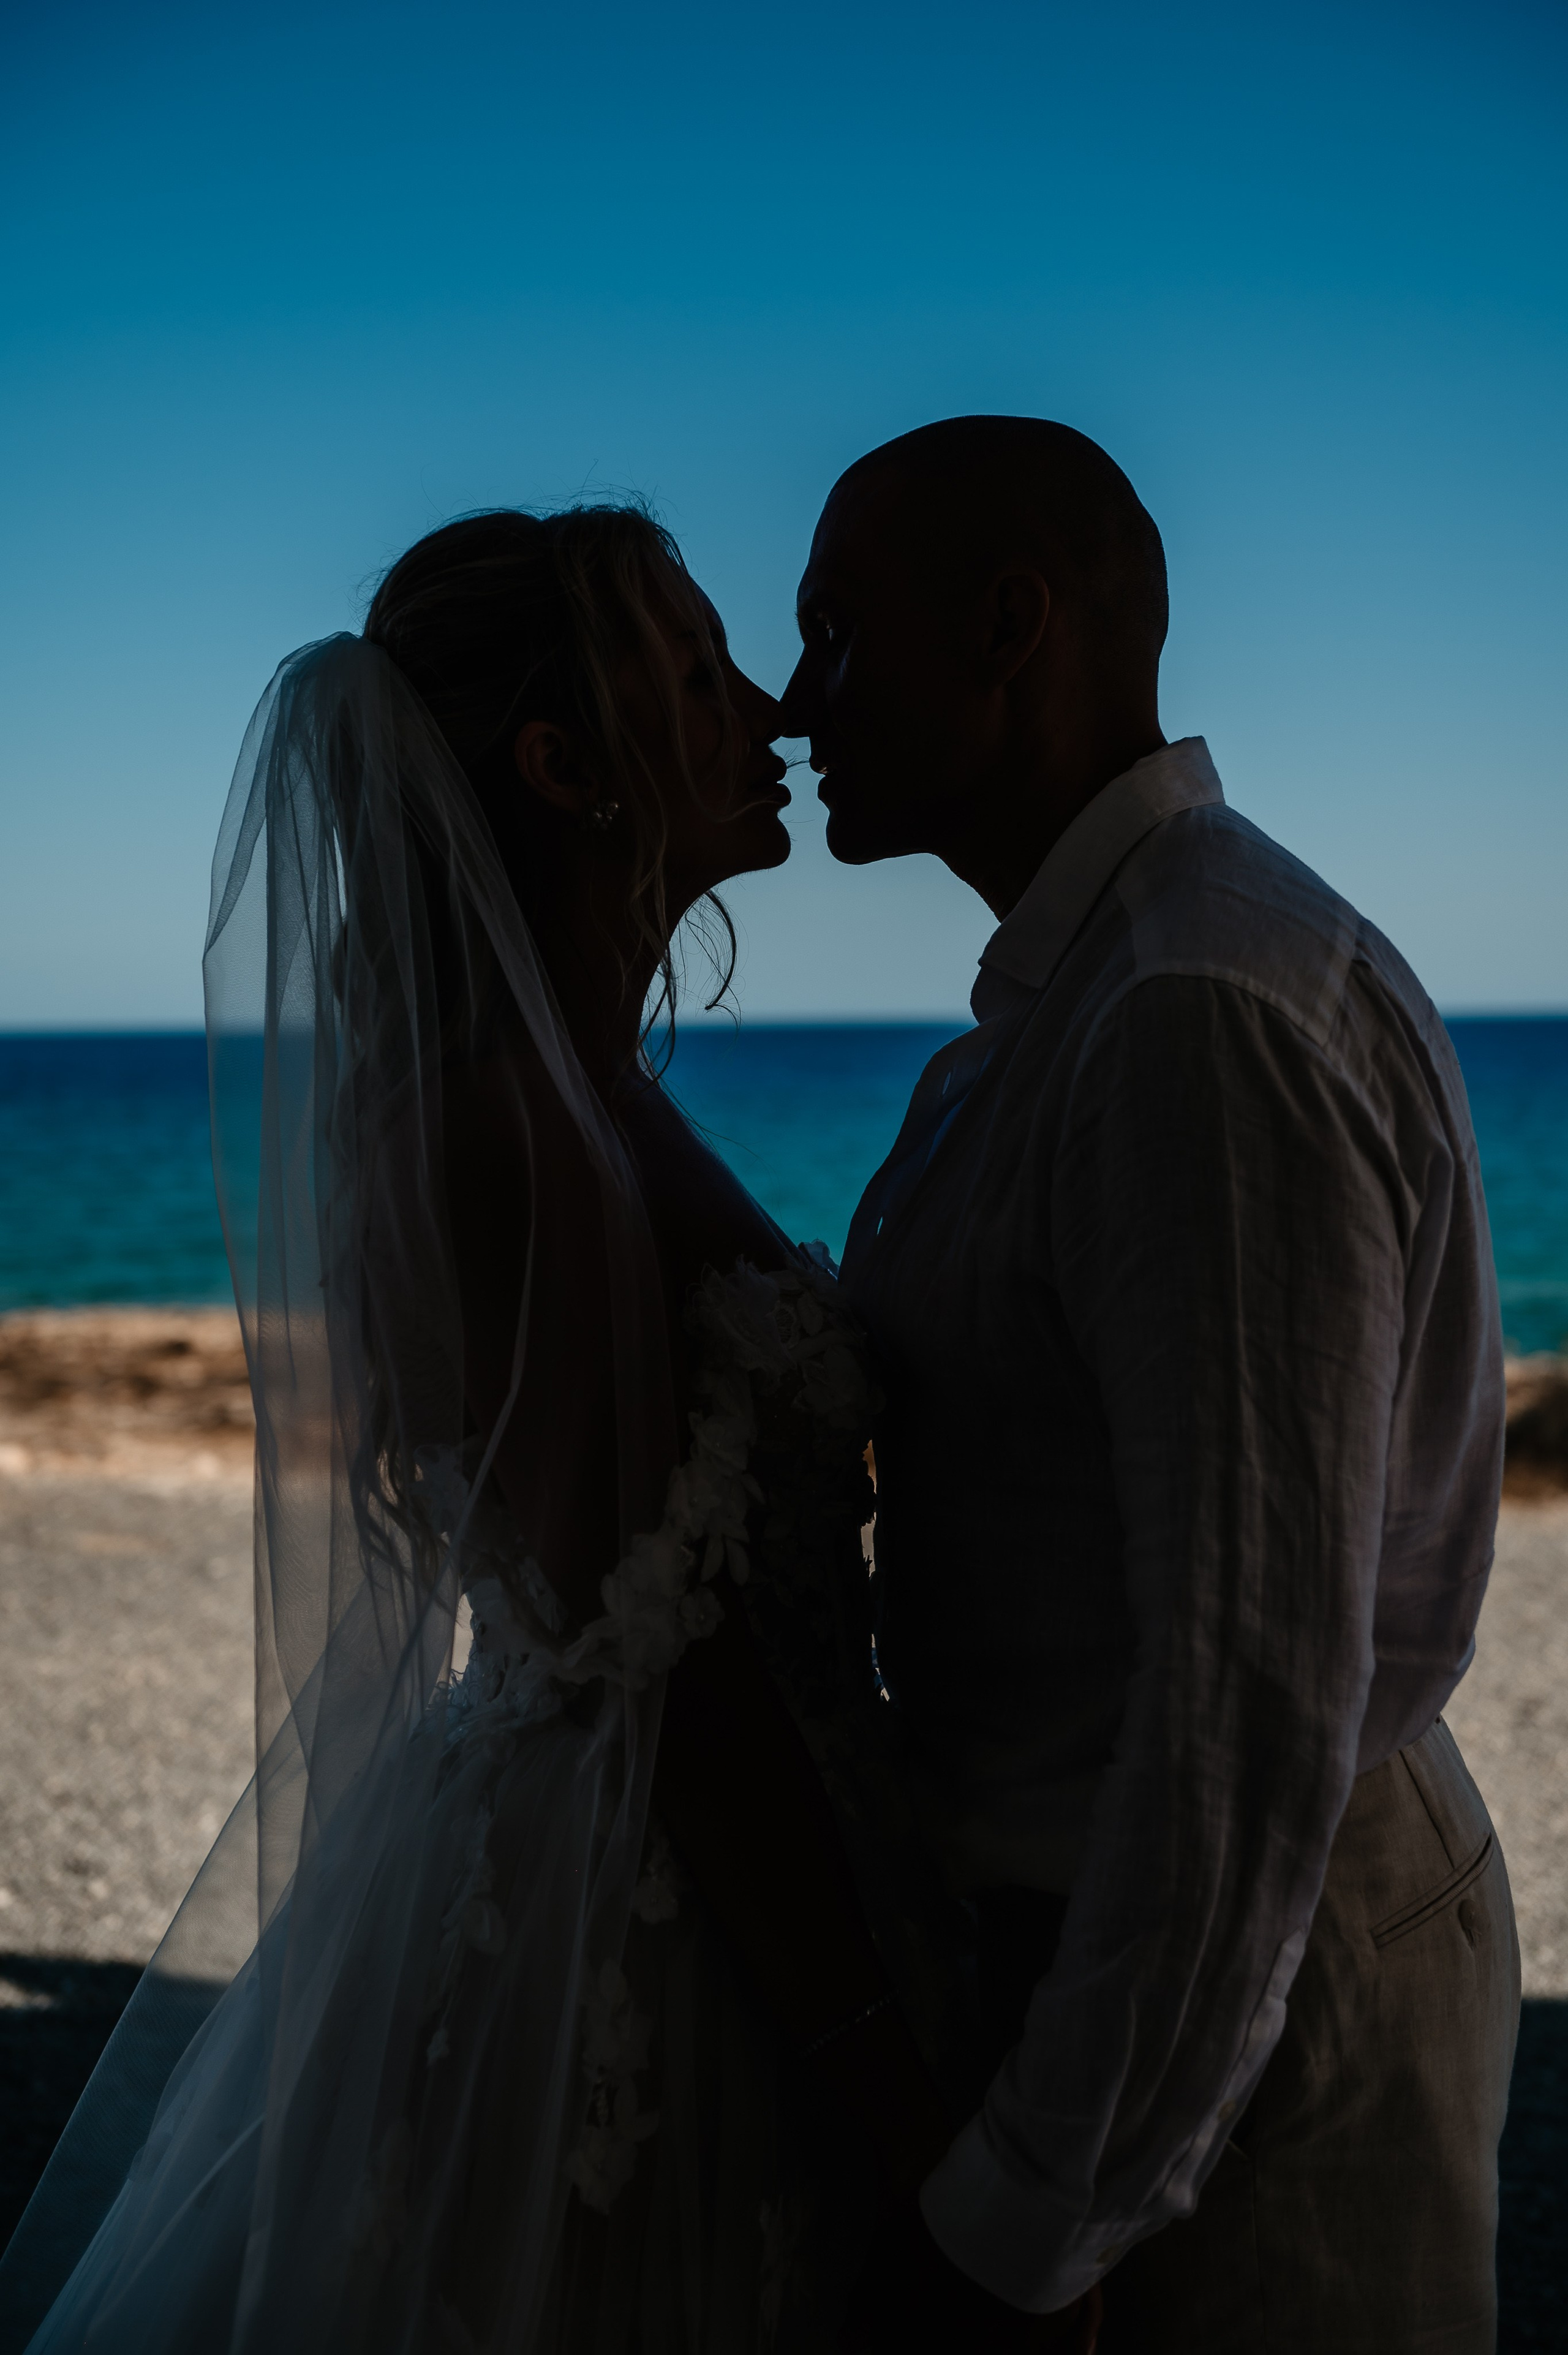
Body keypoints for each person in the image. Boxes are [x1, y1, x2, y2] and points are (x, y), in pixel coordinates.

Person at [0, 505, 965, 2355]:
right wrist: (888, 2082)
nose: (764, 703)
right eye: (696, 674)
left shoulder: (581, 1085)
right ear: (562, 767)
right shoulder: (508, 1123)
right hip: (660, 1909)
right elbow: (665, 1669)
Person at [781, 417, 1521, 2353]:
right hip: (1150, 1970)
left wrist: (1031, 2220)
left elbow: (1247, 1705)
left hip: (1249, 2013)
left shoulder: (1191, 1013)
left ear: (1012, 626)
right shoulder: (1089, 1003)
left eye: (838, 635)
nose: (792, 703)